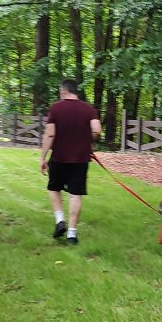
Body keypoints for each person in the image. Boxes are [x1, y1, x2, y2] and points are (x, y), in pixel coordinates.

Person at [40, 79, 101, 245]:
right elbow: (96, 130)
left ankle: (60, 220)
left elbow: (50, 134)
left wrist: (43, 157)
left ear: (63, 91)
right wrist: (88, 140)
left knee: (53, 188)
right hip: (81, 159)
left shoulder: (56, 108)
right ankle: (72, 234)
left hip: (59, 157)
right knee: (75, 195)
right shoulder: (88, 109)